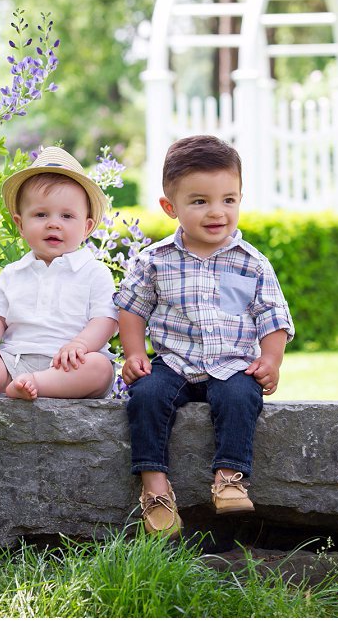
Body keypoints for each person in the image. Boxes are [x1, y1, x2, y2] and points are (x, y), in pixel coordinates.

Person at [115, 134, 294, 538]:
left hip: (230, 364)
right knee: (145, 396)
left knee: (240, 395)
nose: (217, 213)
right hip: (173, 362)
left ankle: (229, 478)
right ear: (170, 206)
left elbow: (272, 317)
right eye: (200, 202)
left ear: (239, 199)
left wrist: (270, 361)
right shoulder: (155, 260)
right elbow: (131, 309)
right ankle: (155, 489)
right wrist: (133, 354)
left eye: (228, 200)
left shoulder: (252, 263)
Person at [0, 146, 119, 417]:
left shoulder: (94, 272)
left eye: (67, 216)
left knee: (100, 368)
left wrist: (80, 345)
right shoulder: (13, 273)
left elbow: (106, 319)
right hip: (12, 363)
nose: (53, 224)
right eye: (40, 215)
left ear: (86, 227)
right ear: (20, 224)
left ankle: (37, 384)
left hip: (69, 365)